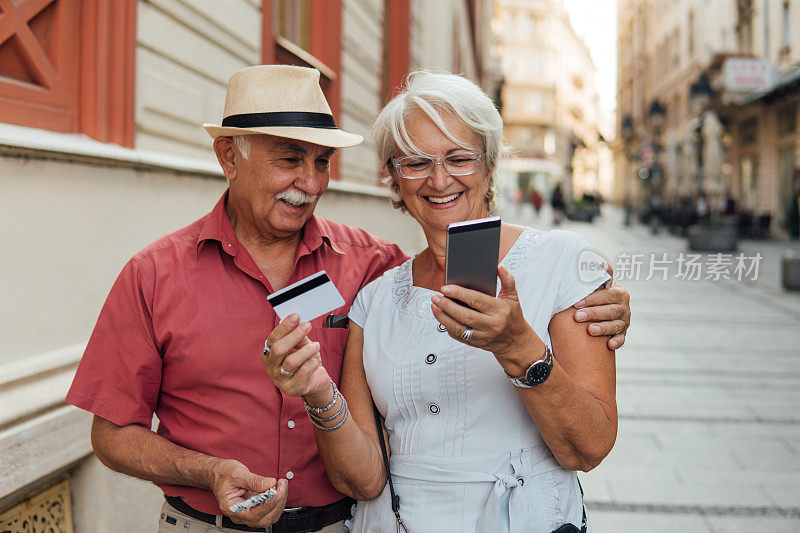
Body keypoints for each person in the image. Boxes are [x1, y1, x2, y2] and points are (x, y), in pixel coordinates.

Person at [66, 65, 631, 532]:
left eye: (321, 162)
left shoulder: (368, 265)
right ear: (228, 157)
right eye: (290, 158)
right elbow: (111, 434)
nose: (309, 183)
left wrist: (588, 295)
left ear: (486, 163)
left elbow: (581, 411)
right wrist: (209, 471)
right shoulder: (154, 276)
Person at [264, 71, 619, 532]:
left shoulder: (564, 262)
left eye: (460, 158)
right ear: (393, 177)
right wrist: (316, 393)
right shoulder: (376, 298)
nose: (439, 179)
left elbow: (588, 448)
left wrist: (518, 347)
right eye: (414, 163)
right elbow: (363, 480)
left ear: (489, 165)